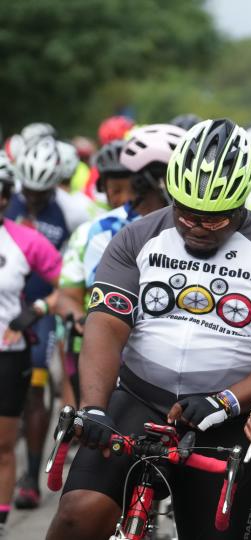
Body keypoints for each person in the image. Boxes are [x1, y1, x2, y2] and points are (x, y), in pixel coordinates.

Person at [46, 119, 251, 540]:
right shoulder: (137, 237)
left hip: (227, 414)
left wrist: (225, 401)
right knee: (77, 514)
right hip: (140, 397)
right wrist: (94, 406)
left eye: (214, 220)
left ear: (242, 202)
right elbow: (105, 324)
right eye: (186, 213)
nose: (196, 226)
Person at [56, 124, 185, 401]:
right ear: (148, 182)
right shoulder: (97, 231)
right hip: (110, 356)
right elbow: (69, 295)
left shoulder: (195, 232)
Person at [4, 137, 90, 510]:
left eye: (43, 191)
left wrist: (48, 306)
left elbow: (73, 275)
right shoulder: (11, 199)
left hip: (42, 308)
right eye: (29, 191)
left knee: (37, 382)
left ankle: (32, 475)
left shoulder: (73, 211)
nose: (34, 198)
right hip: (11, 300)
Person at [0, 155, 61, 537]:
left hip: (8, 355)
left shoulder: (24, 240)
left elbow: (70, 287)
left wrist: (37, 308)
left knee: (3, 445)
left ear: (6, 198)